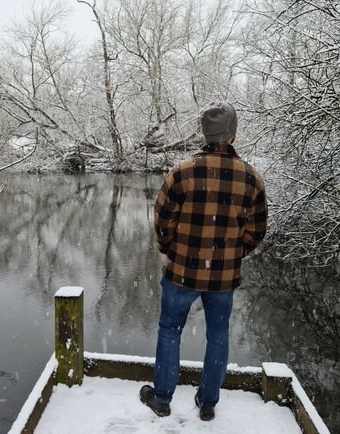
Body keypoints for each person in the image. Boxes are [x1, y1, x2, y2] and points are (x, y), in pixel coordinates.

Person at [139, 102, 268, 421]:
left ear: (204, 133)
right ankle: (208, 401)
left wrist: (171, 249)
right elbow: (256, 230)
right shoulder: (251, 178)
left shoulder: (182, 171)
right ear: (233, 135)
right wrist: (233, 255)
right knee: (219, 335)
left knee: (170, 330)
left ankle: (162, 398)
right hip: (223, 277)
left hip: (182, 271)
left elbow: (162, 219)